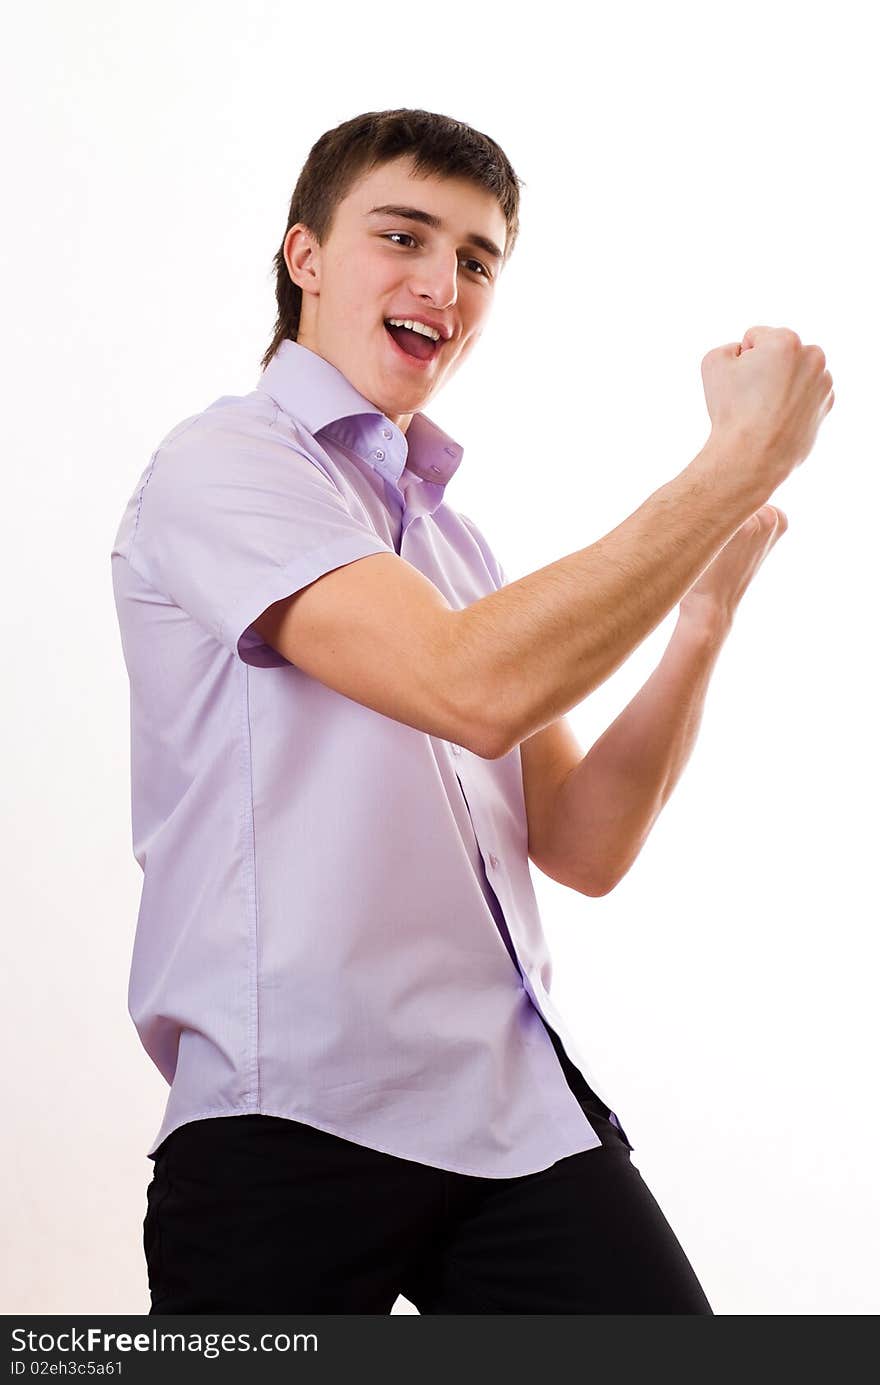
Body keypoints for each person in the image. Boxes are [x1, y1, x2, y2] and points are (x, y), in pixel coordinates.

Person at [111, 107, 834, 1315]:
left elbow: (583, 840)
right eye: (403, 235)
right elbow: (471, 683)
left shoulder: (451, 541)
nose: (442, 281)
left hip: (513, 1122)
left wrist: (698, 620)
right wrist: (734, 463)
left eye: (478, 258)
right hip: (289, 1114)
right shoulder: (224, 466)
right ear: (304, 257)